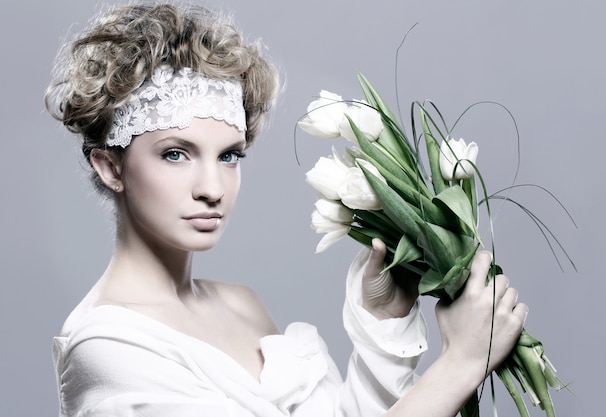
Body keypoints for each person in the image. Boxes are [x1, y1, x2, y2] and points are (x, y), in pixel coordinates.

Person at [46, 3, 528, 417]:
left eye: (229, 155)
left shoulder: (241, 305)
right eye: (176, 153)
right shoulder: (105, 346)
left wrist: (384, 320)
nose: (213, 188)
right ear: (111, 167)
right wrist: (463, 360)